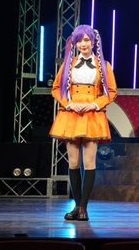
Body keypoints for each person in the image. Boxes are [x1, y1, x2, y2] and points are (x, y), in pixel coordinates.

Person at [50, 25, 117, 222]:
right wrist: (69, 104)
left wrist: (94, 104)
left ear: (93, 42)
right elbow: (56, 88)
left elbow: (111, 92)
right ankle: (77, 206)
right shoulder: (68, 64)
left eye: (86, 40)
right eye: (79, 41)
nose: (83, 44)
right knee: (73, 163)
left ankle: (84, 208)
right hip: (71, 114)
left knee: (89, 163)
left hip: (92, 115)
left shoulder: (103, 65)